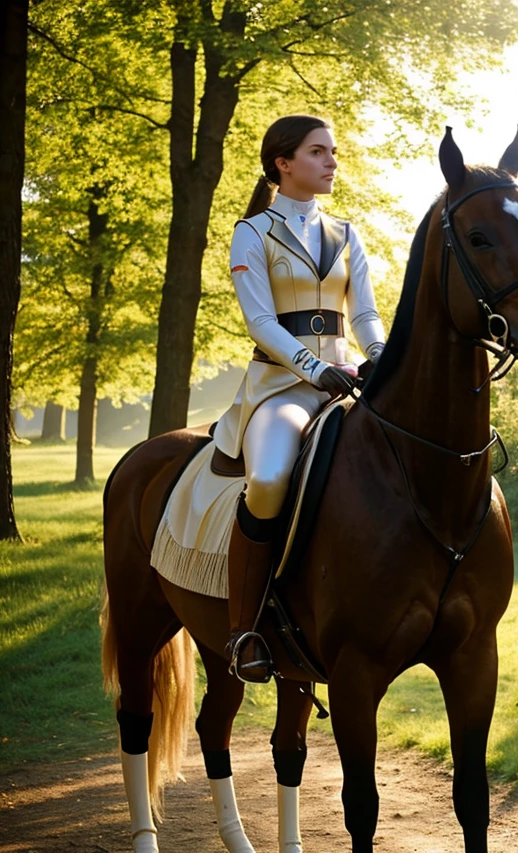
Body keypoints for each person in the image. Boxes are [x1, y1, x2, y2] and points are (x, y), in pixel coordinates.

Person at [215, 114, 385, 683]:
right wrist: (313, 368)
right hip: (281, 390)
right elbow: (260, 321)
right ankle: (244, 630)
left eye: (332, 152)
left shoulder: (347, 233)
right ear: (283, 163)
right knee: (266, 480)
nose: (332, 161)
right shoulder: (252, 233)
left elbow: (362, 312)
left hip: (346, 383)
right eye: (318, 152)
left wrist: (378, 353)